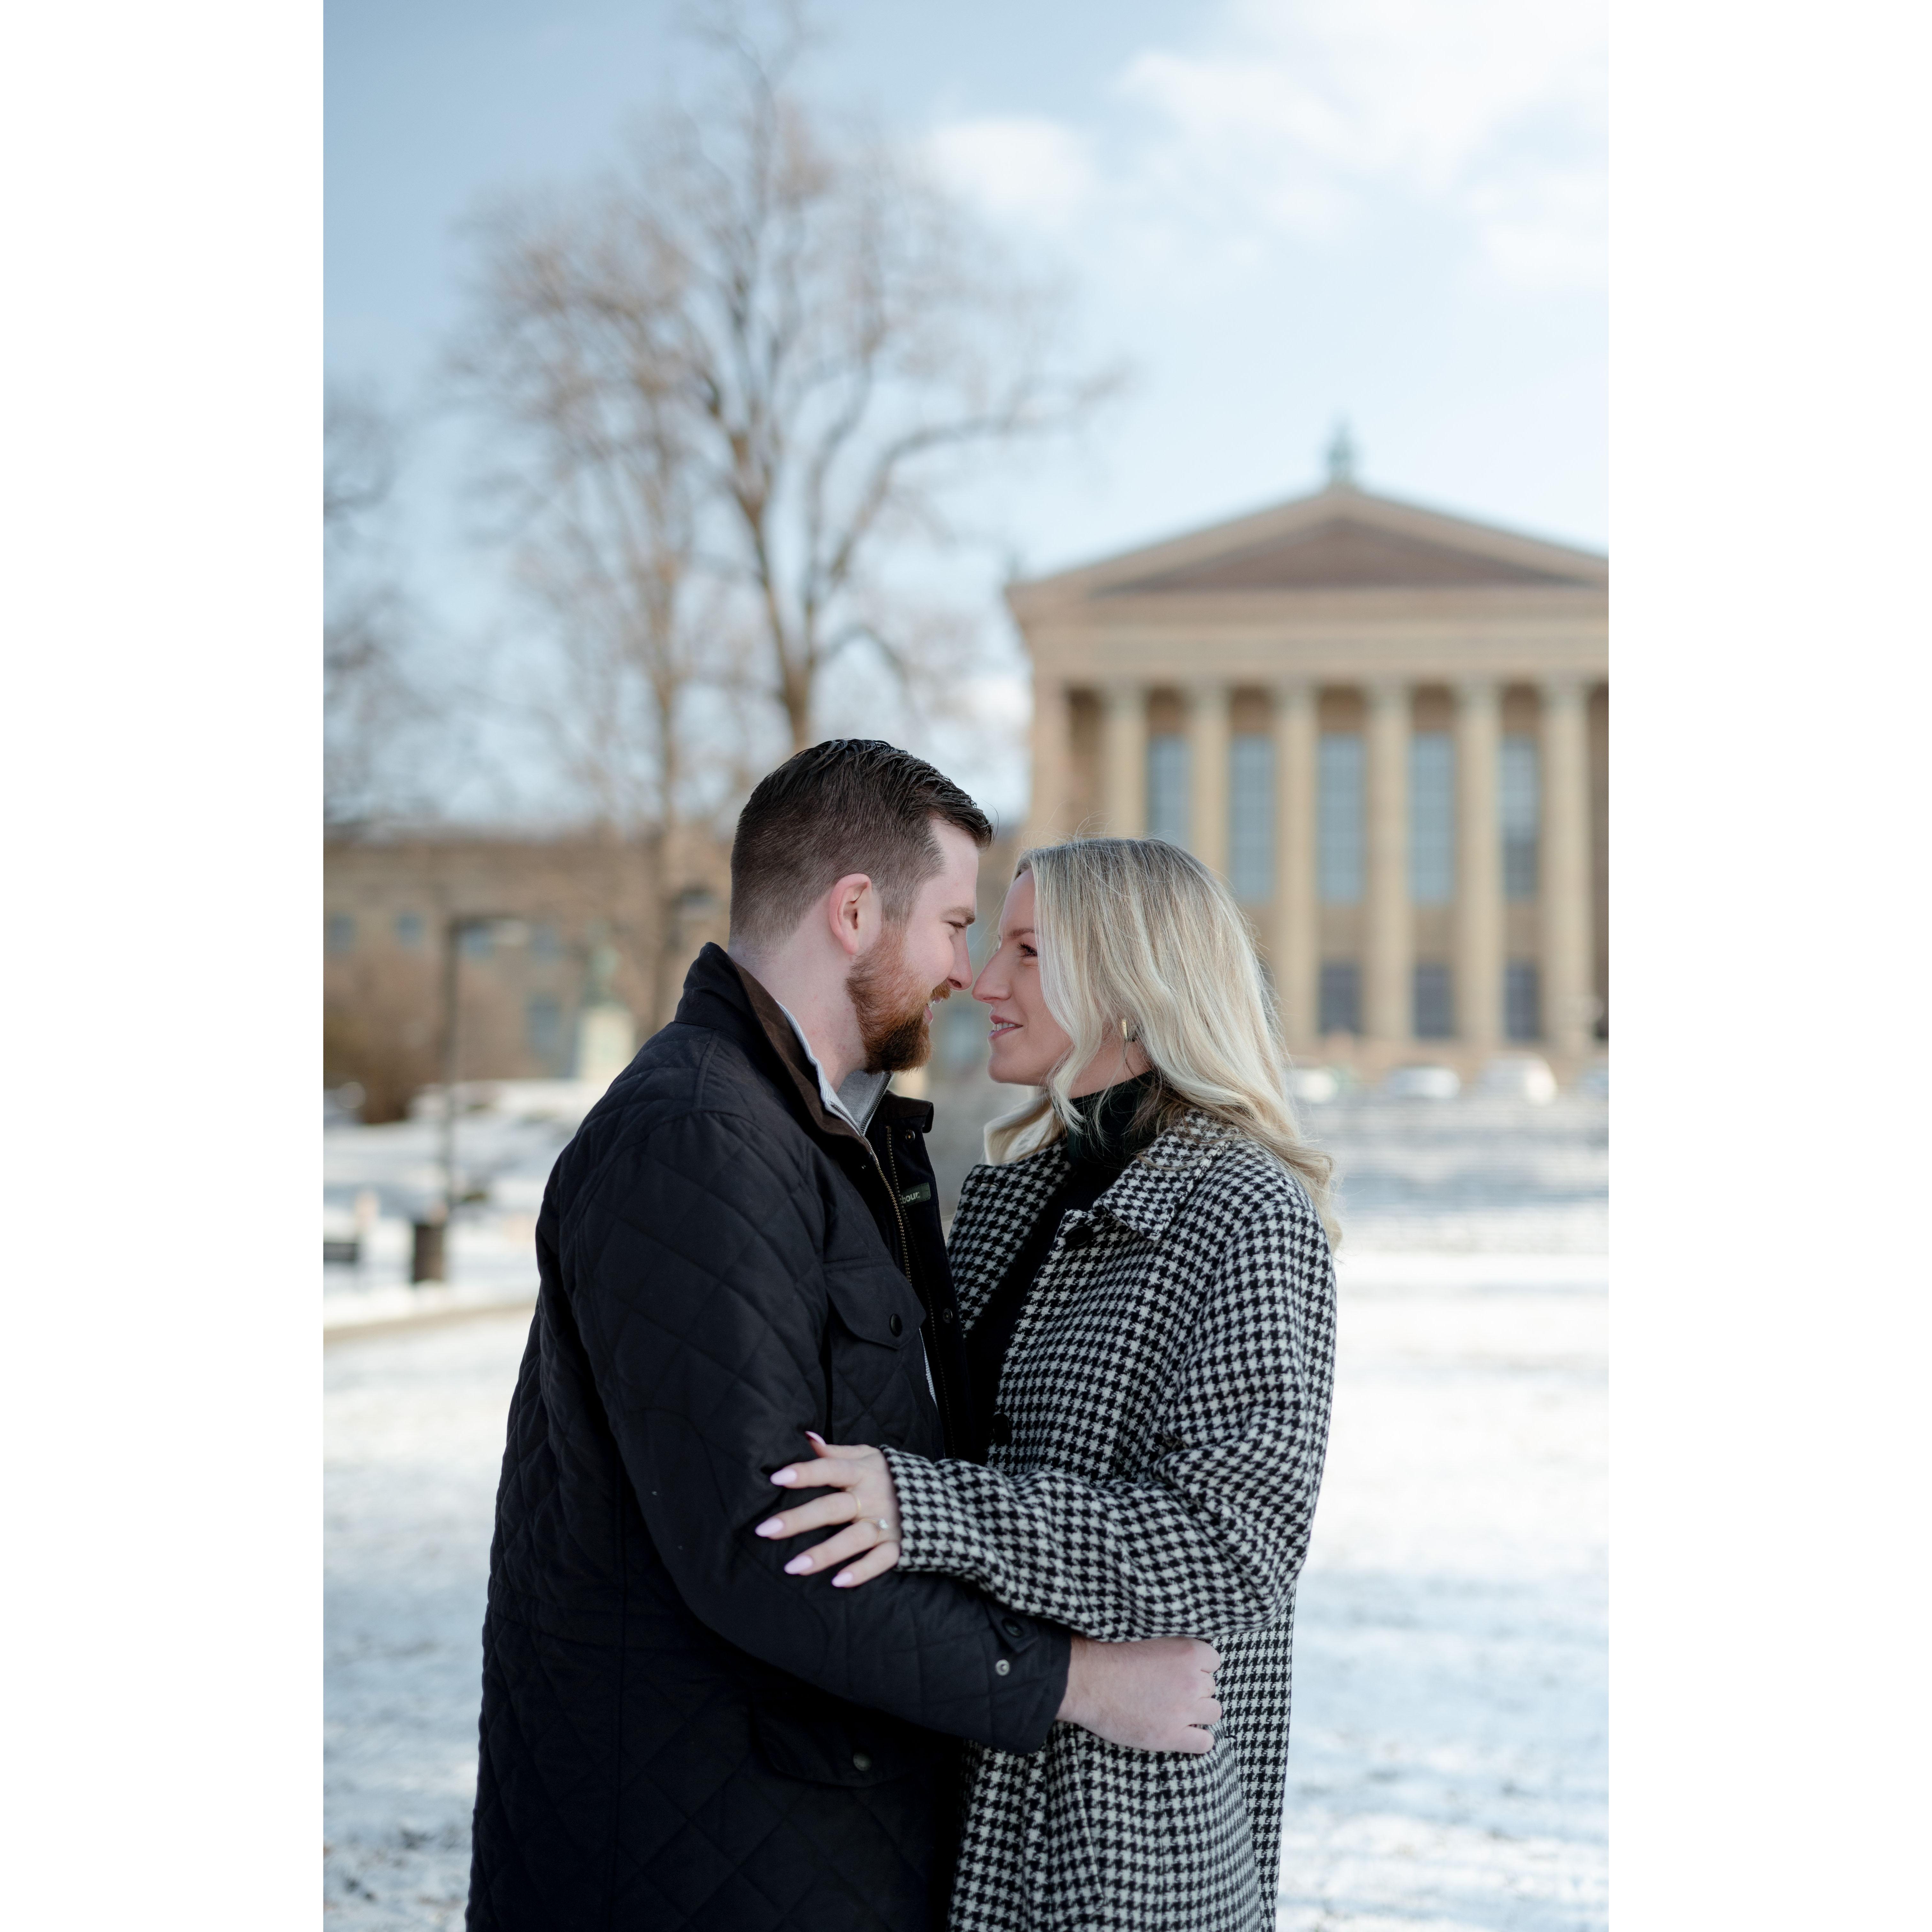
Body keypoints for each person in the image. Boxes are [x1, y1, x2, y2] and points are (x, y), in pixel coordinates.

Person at [465, 747, 1219, 1932]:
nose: (967, 973)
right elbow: (768, 1540)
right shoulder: (699, 1136)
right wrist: (1070, 1680)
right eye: (957, 926)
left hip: (783, 1840)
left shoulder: (813, 1136)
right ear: (856, 911)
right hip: (698, 1861)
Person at [752, 836, 1339, 1931]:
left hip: (1115, 1842)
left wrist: (925, 1507)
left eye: (1027, 952)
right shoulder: (1014, 1194)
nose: (983, 983)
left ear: (1131, 983)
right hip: (949, 1785)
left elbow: (1229, 1545)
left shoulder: (1246, 1214)